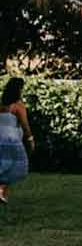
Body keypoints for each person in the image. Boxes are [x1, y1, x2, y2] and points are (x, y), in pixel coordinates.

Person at [0, 77, 34, 206]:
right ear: (18, 90)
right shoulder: (18, 106)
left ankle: (2, 193)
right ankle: (2, 190)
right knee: (20, 166)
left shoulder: (1, 104)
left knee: (5, 164)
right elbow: (25, 126)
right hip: (11, 140)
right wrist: (30, 139)